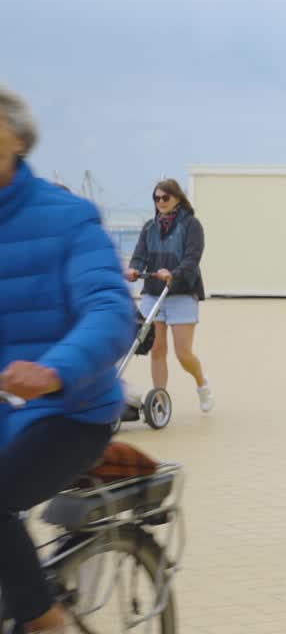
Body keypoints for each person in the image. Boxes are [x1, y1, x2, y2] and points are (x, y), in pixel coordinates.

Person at [1, 86, 135, 633]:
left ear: (14, 141)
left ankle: (45, 620)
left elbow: (109, 309)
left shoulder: (67, 218)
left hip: (69, 410)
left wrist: (55, 369)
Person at [126, 179, 213, 413]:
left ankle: (202, 383)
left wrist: (173, 274)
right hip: (154, 294)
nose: (161, 202)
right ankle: (160, 401)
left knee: (183, 353)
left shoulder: (192, 225)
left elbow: (192, 260)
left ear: (177, 198)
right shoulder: (149, 227)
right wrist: (134, 269)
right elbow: (139, 255)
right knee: (157, 348)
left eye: (165, 197)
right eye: (157, 198)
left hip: (182, 293)